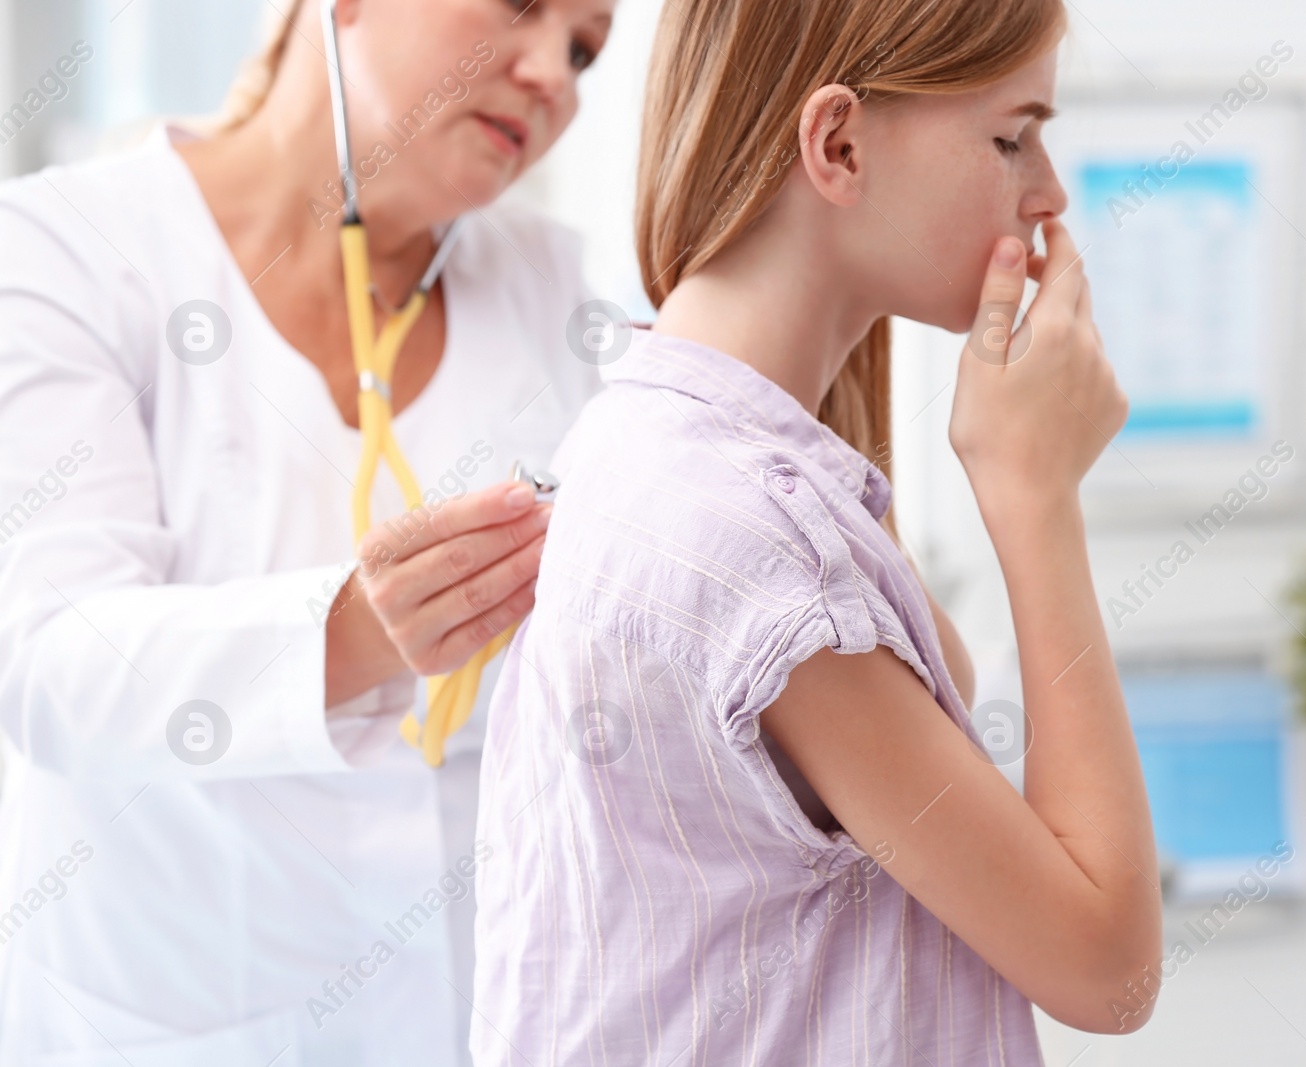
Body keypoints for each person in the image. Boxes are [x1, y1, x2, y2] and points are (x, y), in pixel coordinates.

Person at [469, 0, 1163, 1062]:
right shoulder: (758, 543)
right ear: (837, 144)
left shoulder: (661, 439)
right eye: (1011, 136)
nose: (1048, 192)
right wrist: (1035, 499)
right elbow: (1109, 973)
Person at [0, 0, 615, 1063]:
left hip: (478, 1017)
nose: (553, 74)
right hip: (167, 1022)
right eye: (523, 8)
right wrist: (356, 631)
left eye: (583, 50)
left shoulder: (556, 289)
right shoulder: (69, 249)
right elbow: (53, 665)